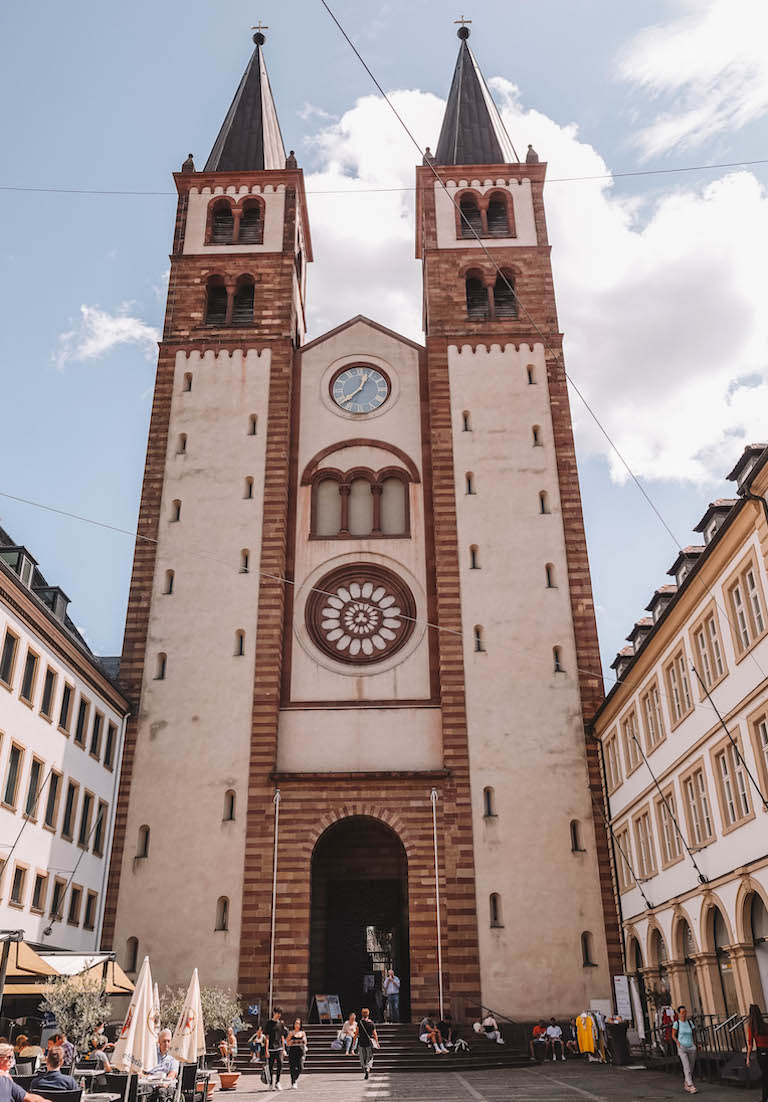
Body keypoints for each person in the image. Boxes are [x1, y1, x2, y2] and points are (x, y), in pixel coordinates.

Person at [146, 1028, 179, 1102]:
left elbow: (173, 1073)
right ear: (159, 1041)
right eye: (164, 1041)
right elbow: (145, 1070)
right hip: (151, 1084)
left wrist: (165, 1084)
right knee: (144, 1092)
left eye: (168, 1041)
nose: (167, 1044)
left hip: (166, 1085)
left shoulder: (173, 1055)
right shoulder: (151, 1053)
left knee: (162, 1091)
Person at [672, 1006, 697, 1095]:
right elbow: (673, 1035)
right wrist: (677, 1043)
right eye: (682, 1012)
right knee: (686, 1066)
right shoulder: (677, 1023)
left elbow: (694, 1032)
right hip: (682, 1047)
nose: (684, 1014)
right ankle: (690, 1085)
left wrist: (694, 1043)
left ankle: (687, 1082)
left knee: (691, 1066)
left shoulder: (689, 1023)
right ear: (679, 1014)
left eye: (685, 1012)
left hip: (691, 1046)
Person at [746, 1003, 768, 1102]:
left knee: (765, 1076)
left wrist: (747, 1057)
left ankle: (764, 1099)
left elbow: (750, 1044)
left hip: (761, 1052)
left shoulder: (752, 1027)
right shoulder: (765, 1026)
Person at [265, 1007, 286, 1091]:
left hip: (279, 1047)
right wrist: (266, 1050)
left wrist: (284, 1049)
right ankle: (270, 1083)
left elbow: (282, 1037)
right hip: (271, 1048)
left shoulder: (281, 1024)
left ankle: (277, 1082)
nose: (279, 1015)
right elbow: (267, 1037)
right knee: (270, 1066)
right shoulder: (269, 1023)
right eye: (278, 1013)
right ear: (274, 1013)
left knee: (280, 1064)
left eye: (280, 1014)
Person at [355, 1008, 378, 1080]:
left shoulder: (360, 1023)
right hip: (369, 1043)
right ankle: (368, 1069)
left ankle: (364, 1067)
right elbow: (375, 1034)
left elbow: (356, 1033)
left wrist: (354, 1042)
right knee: (370, 1058)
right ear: (368, 1014)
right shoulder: (371, 1023)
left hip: (361, 1042)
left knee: (362, 1057)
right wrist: (377, 1042)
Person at [285, 1018, 307, 1090]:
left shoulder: (302, 1033)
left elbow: (305, 1041)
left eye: (298, 1023)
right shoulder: (291, 1033)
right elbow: (286, 1041)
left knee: (300, 1067)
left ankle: (296, 1078)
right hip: (293, 1051)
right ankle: (293, 1081)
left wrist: (303, 1041)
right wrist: (290, 1043)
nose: (297, 1025)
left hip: (300, 1051)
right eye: (296, 1023)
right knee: (293, 1067)